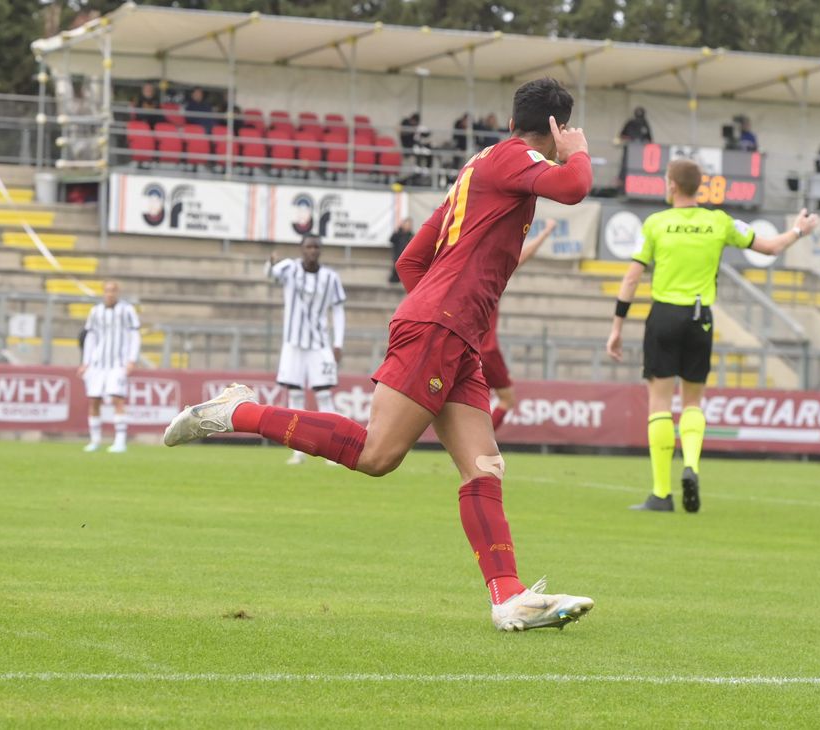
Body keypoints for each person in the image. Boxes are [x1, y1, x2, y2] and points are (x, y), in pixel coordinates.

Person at [164, 78, 595, 632]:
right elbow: (575, 186)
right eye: (565, 132)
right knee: (377, 455)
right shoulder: (516, 158)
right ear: (556, 128)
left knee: (484, 466)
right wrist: (578, 152)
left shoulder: (480, 169)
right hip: (442, 328)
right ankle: (235, 412)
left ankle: (508, 597)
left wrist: (442, 310)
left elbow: (411, 260)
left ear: (513, 119)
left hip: (453, 332)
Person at [606, 158, 819, 513]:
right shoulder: (719, 222)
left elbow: (631, 278)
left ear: (672, 184)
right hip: (700, 317)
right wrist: (798, 230)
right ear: (699, 186)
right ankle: (691, 465)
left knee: (660, 403)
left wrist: (617, 327)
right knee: (693, 402)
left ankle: (661, 493)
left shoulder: (656, 223)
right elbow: (771, 248)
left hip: (664, 315)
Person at [266, 236, 346, 465]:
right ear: (301, 249)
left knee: (324, 394)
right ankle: (298, 451)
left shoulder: (330, 277)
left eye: (316, 247)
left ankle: (334, 451)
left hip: (319, 343)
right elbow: (271, 274)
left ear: (320, 250)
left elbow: (338, 310)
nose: (312, 250)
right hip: (293, 343)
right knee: (295, 395)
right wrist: (271, 262)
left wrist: (338, 342)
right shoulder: (290, 268)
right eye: (308, 247)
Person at [485, 219, 557, 431]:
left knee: (472, 401)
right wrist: (545, 233)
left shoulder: (469, 270)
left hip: (465, 347)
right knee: (507, 399)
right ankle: (477, 444)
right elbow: (523, 256)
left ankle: (468, 443)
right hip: (486, 350)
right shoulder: (494, 272)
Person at [78, 281, 141, 453]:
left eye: (113, 291)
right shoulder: (95, 311)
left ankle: (120, 441)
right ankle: (95, 440)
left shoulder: (127, 310)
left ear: (118, 292)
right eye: (107, 290)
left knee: (117, 399)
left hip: (118, 363)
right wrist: (85, 362)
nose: (110, 294)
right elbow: (90, 338)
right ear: (103, 292)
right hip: (98, 364)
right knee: (94, 400)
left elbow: (135, 335)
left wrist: (132, 360)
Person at [389, 217, 414, 284]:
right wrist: (397, 231)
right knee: (395, 276)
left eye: (410, 225)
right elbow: (391, 240)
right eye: (407, 224)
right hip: (397, 256)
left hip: (407, 258)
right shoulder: (398, 233)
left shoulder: (411, 235)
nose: (408, 226)